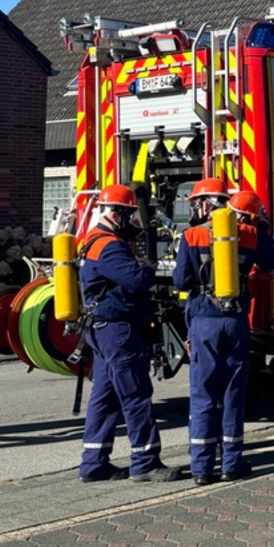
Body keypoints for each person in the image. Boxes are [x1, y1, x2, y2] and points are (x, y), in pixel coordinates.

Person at [174, 190, 274, 485]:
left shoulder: (192, 235)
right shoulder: (250, 234)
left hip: (204, 321)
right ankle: (231, 463)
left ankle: (201, 469)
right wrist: (260, 227)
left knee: (203, 394)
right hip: (234, 322)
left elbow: (181, 281)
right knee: (233, 393)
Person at [77, 184, 181, 483]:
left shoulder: (91, 241)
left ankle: (94, 463)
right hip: (116, 329)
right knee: (136, 393)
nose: (131, 222)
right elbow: (135, 280)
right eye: (128, 215)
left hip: (101, 328)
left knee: (105, 397)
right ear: (115, 214)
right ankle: (145, 462)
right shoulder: (109, 245)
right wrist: (150, 267)